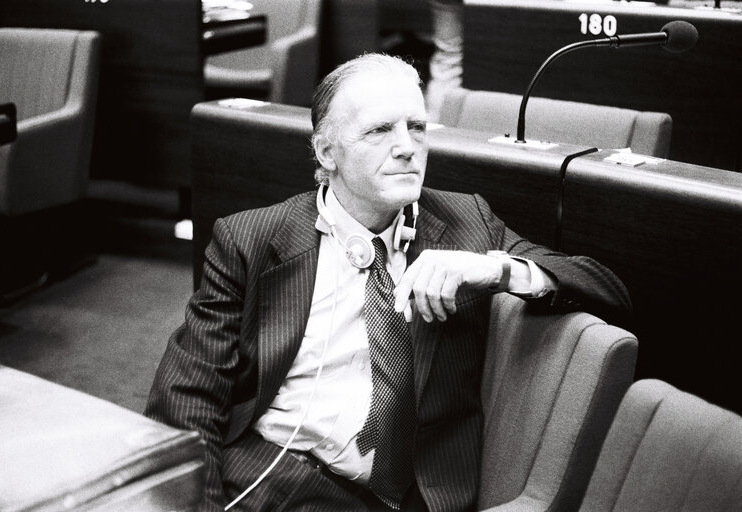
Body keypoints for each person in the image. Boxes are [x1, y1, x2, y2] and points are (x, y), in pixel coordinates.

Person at [145, 53, 631, 512]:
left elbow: (608, 292)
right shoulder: (251, 239)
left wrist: (501, 269)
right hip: (266, 468)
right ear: (326, 151)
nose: (406, 147)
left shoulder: (468, 224)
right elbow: (185, 398)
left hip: (404, 496)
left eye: (416, 127)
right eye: (380, 130)